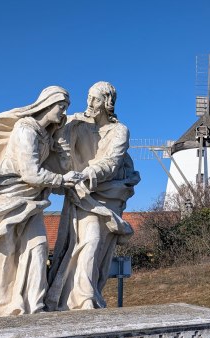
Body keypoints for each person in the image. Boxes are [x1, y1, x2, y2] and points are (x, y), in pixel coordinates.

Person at [0, 86, 80, 318]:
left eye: (66, 108)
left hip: (32, 200)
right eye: (61, 107)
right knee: (6, 252)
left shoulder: (46, 135)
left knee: (39, 247)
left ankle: (32, 305)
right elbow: (31, 173)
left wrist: (62, 155)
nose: (63, 112)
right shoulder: (26, 129)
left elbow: (54, 168)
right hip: (8, 198)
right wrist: (62, 180)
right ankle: (1, 305)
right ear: (47, 105)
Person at [46, 81, 141, 311]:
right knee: (90, 239)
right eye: (88, 97)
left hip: (108, 194)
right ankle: (83, 299)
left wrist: (89, 173)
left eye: (96, 99)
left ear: (107, 103)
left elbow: (112, 162)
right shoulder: (77, 123)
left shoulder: (120, 131)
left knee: (99, 251)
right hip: (82, 194)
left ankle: (86, 294)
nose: (90, 103)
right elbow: (55, 139)